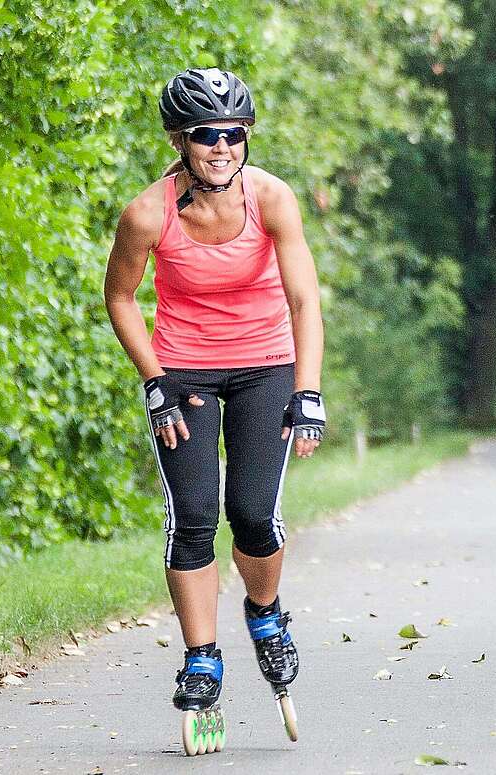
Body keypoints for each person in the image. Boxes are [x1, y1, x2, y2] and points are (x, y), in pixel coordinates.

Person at [103, 67, 325, 748]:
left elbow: (304, 301)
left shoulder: (273, 199)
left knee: (255, 513)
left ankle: (265, 612)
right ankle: (203, 657)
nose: (222, 146)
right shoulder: (148, 213)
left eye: (234, 133)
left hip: (265, 365)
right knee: (194, 515)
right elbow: (120, 296)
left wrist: (308, 391)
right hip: (185, 374)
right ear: (180, 140)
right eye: (206, 135)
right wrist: (154, 378)